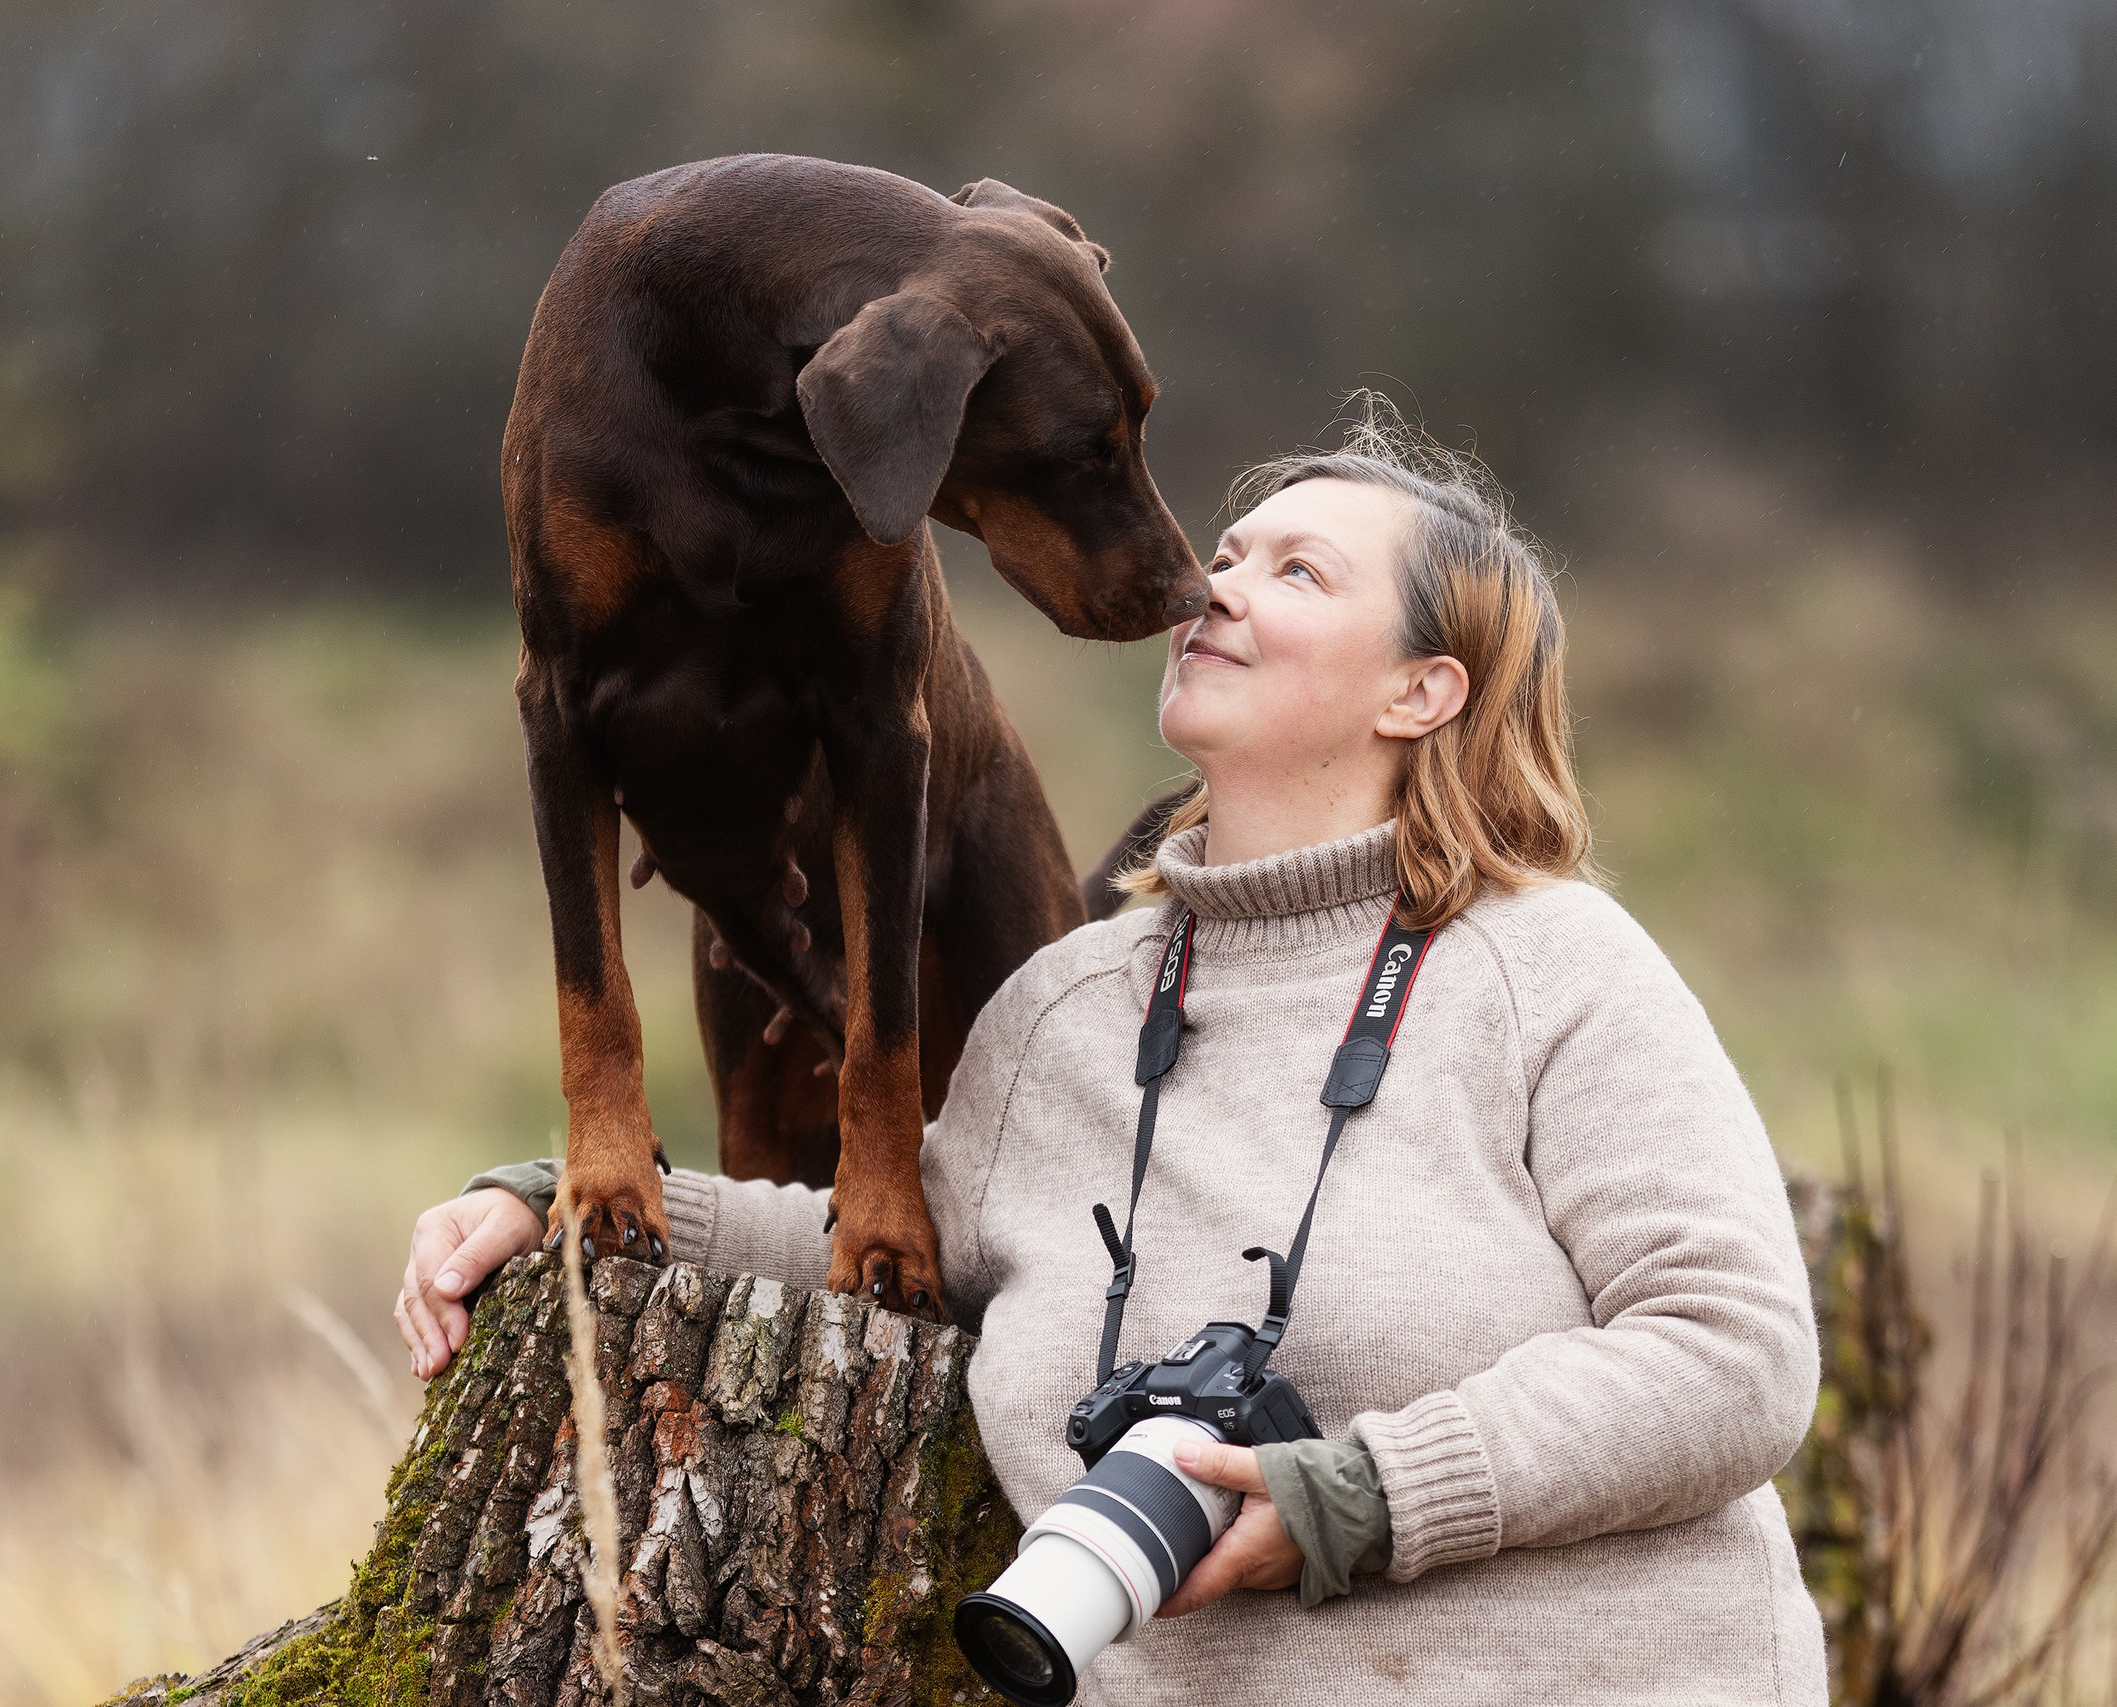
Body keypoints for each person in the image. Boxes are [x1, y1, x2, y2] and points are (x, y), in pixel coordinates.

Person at [395, 402, 1828, 1705]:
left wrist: (1361, 1496)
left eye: (1299, 574)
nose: (1214, 588)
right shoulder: (1067, 1012)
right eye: (1230, 554)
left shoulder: (1552, 969)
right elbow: (891, 1242)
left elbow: (1734, 1355)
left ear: (1424, 694)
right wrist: (562, 1200)